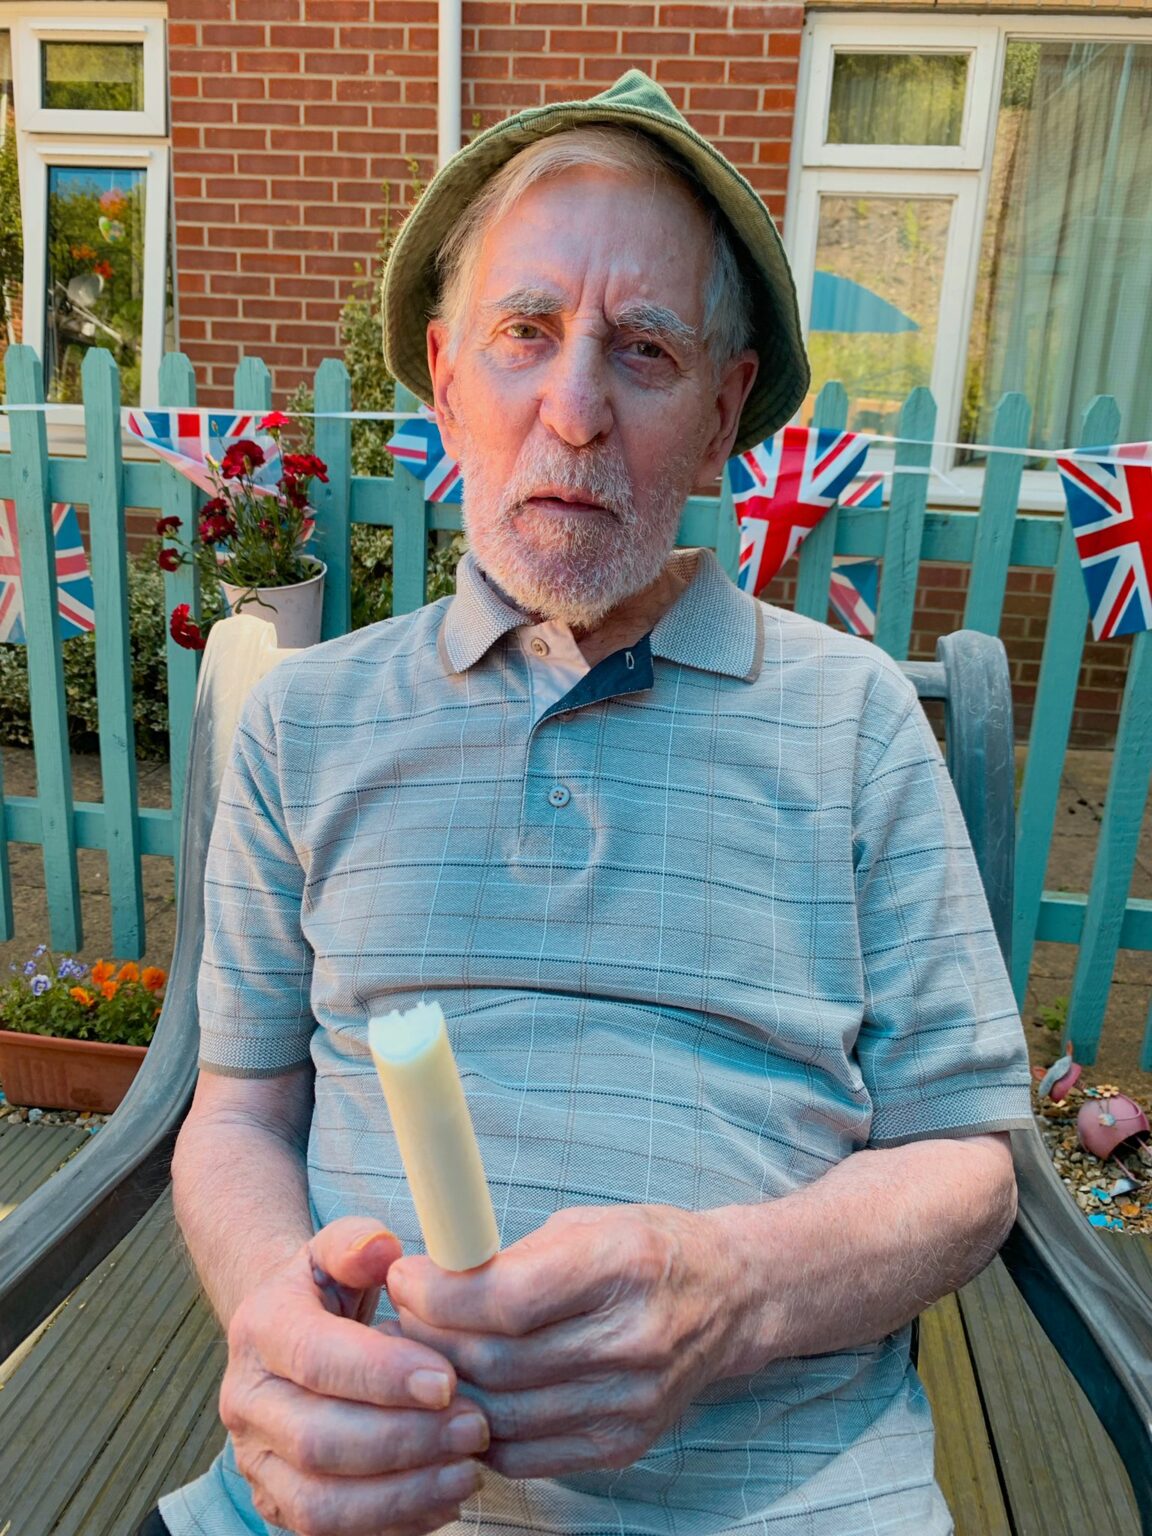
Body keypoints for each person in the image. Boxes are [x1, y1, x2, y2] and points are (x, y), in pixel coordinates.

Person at [155, 70, 1033, 1536]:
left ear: (721, 415)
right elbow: (239, 1110)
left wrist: (733, 1291)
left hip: (783, 1502)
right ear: (447, 381)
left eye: (643, 350)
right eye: (525, 333)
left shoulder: (858, 724)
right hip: (357, 1487)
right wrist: (275, 1326)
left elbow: (969, 1168)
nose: (573, 412)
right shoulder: (307, 724)